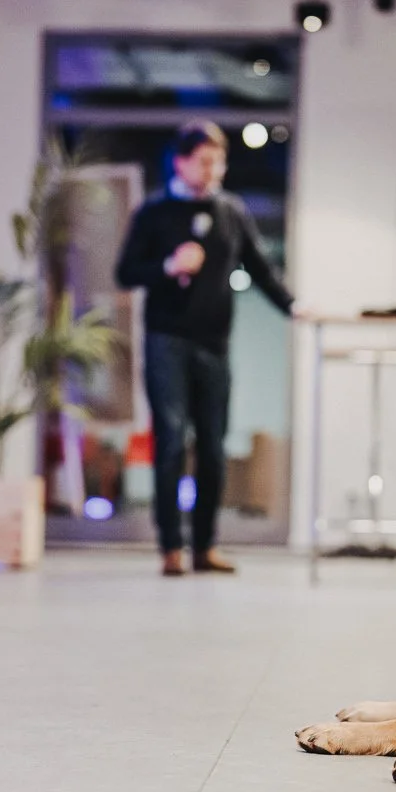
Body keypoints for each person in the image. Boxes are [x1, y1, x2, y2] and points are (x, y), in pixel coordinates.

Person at [114, 121, 298, 578]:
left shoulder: (231, 212)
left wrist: (293, 307)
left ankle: (204, 545)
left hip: (215, 343)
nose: (213, 169)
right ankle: (170, 547)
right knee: (172, 440)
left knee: (213, 447)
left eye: (219, 162)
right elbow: (126, 272)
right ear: (180, 162)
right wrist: (167, 265)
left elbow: (260, 268)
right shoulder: (154, 212)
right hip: (166, 341)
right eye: (204, 161)